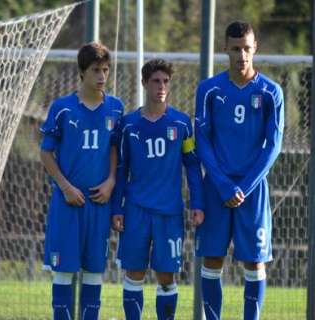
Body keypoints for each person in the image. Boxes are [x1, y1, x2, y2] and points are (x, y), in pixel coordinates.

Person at [194, 21, 284, 320]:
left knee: (254, 262)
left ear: (255, 48)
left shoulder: (272, 92)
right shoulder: (208, 90)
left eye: (247, 48)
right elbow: (202, 142)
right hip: (216, 188)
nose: (242, 55)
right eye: (236, 49)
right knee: (212, 259)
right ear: (225, 50)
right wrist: (222, 184)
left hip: (252, 189)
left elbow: (272, 146)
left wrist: (243, 187)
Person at [111, 59, 204, 320]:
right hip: (136, 210)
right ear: (144, 83)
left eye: (165, 81)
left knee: (166, 276)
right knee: (134, 272)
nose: (161, 86)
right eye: (155, 81)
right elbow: (120, 168)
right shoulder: (129, 125)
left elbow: (193, 166)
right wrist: (117, 207)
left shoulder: (182, 123)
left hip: (169, 213)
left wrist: (198, 203)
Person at [39, 42, 124, 320]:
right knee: (63, 272)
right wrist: (65, 187)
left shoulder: (115, 108)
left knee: (94, 273)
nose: (102, 76)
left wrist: (111, 180)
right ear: (82, 73)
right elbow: (46, 152)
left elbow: (114, 147)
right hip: (67, 203)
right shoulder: (62, 108)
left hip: (99, 204)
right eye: (96, 71)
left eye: (106, 70)